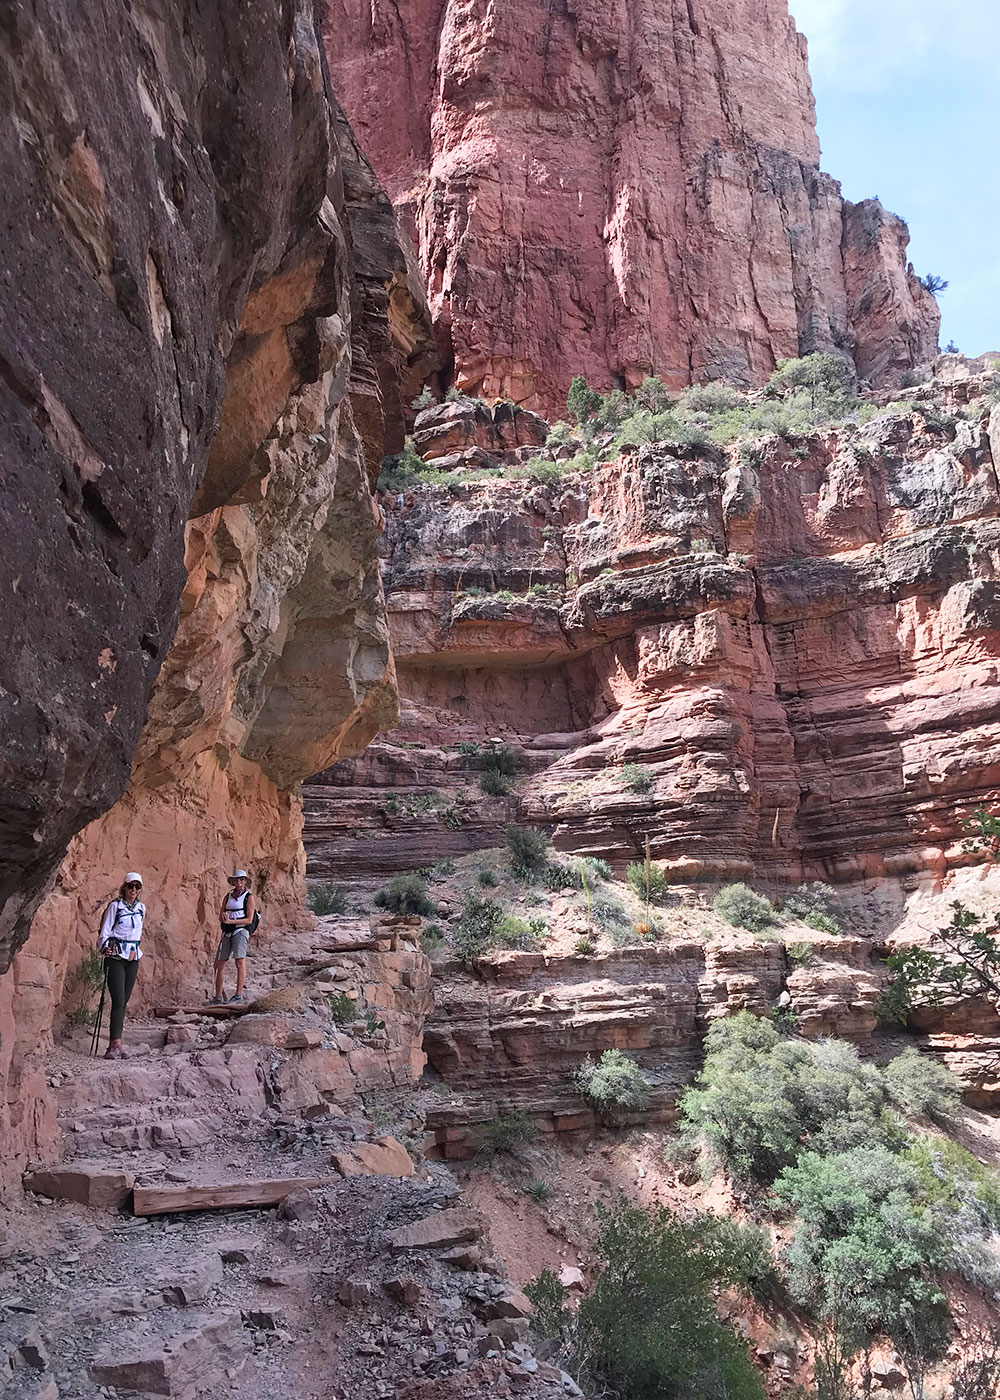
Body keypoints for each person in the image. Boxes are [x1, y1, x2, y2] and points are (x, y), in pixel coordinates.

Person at [97, 872, 145, 1059]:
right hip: (116, 956)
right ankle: (114, 1045)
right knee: (118, 999)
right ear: (124, 887)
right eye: (131, 886)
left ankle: (117, 1043)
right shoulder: (115, 907)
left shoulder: (141, 908)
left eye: (137, 887)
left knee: (123, 1001)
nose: (133, 890)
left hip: (133, 957)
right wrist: (104, 947)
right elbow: (105, 930)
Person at [211, 869, 257, 1004]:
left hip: (240, 930)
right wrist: (224, 919)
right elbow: (221, 914)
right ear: (233, 882)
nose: (239, 882)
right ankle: (218, 996)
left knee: (239, 962)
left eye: (241, 879)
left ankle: (238, 995)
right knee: (219, 963)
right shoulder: (228, 896)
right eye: (237, 879)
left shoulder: (249, 897)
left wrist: (231, 921)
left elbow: (249, 919)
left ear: (244, 881)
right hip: (227, 930)